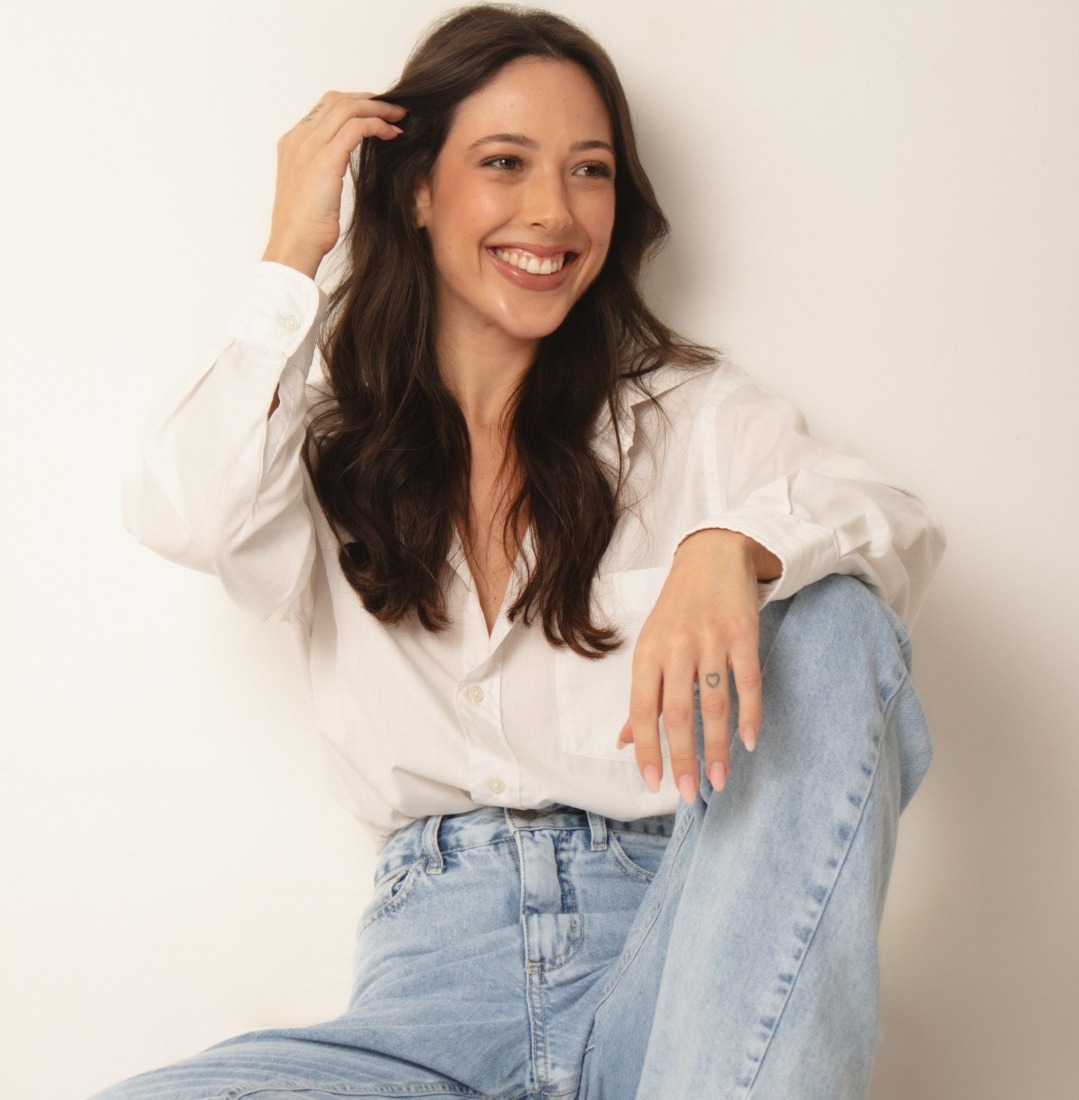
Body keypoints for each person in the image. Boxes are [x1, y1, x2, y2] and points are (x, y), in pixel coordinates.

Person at [100, 4, 944, 1098]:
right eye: (505, 162)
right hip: (429, 1017)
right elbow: (186, 513)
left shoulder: (686, 417)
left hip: (684, 988)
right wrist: (291, 250)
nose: (553, 210)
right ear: (416, 190)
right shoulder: (318, 447)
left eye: (589, 170)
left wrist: (728, 546)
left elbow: (889, 522)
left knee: (832, 619)